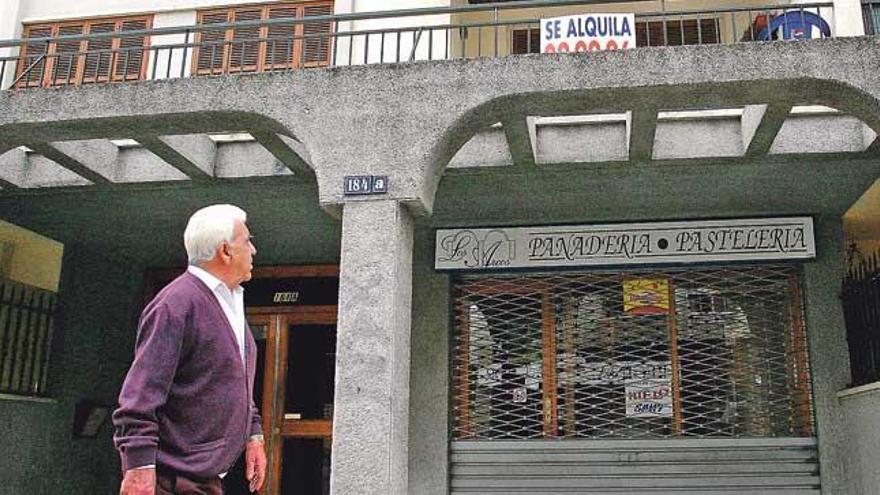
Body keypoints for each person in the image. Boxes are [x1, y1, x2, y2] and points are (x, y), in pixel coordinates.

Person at [113, 204, 266, 495]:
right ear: (225, 251)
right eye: (247, 241)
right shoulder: (176, 304)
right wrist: (138, 468)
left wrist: (253, 434)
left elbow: (232, 380)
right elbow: (140, 396)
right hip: (173, 480)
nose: (254, 250)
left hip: (204, 477)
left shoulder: (229, 301)